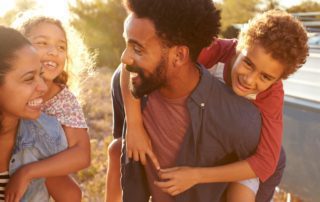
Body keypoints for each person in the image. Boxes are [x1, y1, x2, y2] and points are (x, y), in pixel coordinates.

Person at [108, 0, 267, 201]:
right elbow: (119, 153)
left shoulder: (239, 120)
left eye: (138, 49)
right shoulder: (129, 85)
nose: (124, 58)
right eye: (127, 44)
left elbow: (266, 170)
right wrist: (134, 124)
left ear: (179, 55)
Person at [7, 14, 95, 201]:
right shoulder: (7, 90)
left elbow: (82, 154)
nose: (54, 52)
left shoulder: (64, 100)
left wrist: (28, 172)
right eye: (42, 43)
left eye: (61, 46)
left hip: (37, 175)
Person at [0, 25, 66, 201]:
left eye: (41, 75)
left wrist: (33, 171)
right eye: (29, 78)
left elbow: (71, 195)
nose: (43, 87)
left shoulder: (48, 133)